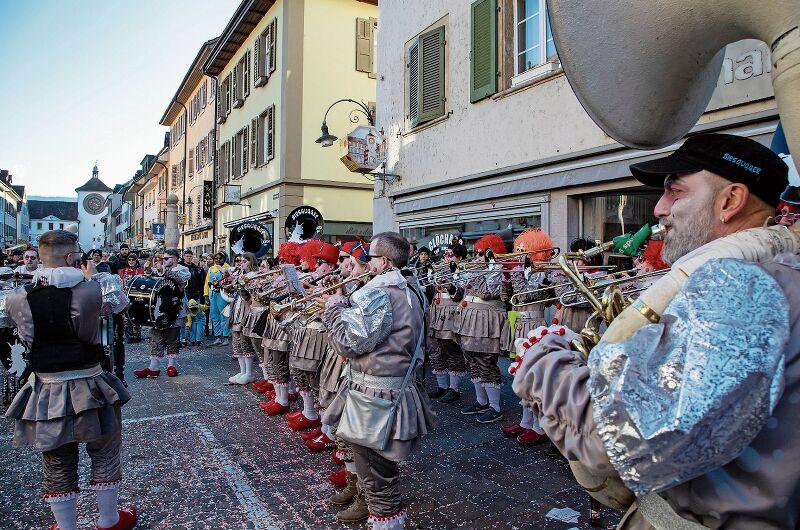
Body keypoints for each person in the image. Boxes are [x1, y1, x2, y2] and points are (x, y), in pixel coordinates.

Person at [513, 133, 800, 529]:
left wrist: (542, 361)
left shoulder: (741, 286)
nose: (660, 209)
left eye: (676, 192)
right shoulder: (770, 274)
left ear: (731, 201)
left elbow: (619, 439)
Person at [2, 229, 137, 530]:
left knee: (57, 458)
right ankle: (109, 520)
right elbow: (119, 305)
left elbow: (17, 331)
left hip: (46, 387)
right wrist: (92, 274)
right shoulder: (94, 287)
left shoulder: (17, 297)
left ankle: (66, 526)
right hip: (90, 382)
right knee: (104, 450)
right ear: (72, 257)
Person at [321, 232, 436, 529]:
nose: (365, 261)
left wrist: (333, 309)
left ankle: (386, 522)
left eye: (369, 257)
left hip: (374, 395)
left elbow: (348, 344)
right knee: (379, 467)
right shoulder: (410, 288)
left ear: (383, 262)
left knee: (375, 472)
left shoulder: (380, 292)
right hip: (389, 388)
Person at [500, 228, 557, 445]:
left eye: (525, 251)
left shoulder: (544, 274)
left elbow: (532, 295)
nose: (519, 255)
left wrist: (518, 275)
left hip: (535, 324)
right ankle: (525, 422)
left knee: (534, 378)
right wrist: (506, 280)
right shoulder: (520, 272)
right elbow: (510, 299)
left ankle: (539, 427)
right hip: (519, 323)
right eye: (518, 250)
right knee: (520, 376)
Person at [455, 234, 510, 424]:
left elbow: (486, 293)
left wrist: (477, 273)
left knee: (486, 360)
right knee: (473, 362)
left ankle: (495, 407)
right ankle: (481, 401)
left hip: (487, 321)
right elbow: (461, 289)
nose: (477, 257)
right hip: (471, 320)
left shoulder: (497, 270)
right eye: (477, 253)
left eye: (481, 254)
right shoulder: (480, 269)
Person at [286, 241, 338, 432]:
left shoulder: (336, 282)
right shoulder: (313, 278)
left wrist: (316, 294)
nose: (316, 265)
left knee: (319, 382)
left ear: (331, 266)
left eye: (321, 262)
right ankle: (311, 414)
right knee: (302, 375)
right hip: (305, 329)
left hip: (320, 334)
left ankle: (327, 429)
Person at [133, 249, 189, 379]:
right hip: (158, 309)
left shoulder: (182, 270)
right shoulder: (161, 268)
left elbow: (179, 280)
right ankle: (153, 368)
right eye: (163, 258)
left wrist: (164, 269)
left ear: (174, 258)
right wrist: (147, 270)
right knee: (156, 338)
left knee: (172, 338)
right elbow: (151, 280)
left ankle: (171, 366)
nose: (163, 260)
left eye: (166, 258)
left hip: (175, 309)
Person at [427, 243, 469, 401]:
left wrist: (450, 286)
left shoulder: (463, 271)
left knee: (451, 350)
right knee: (434, 349)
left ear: (459, 257)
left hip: (450, 314)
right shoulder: (441, 269)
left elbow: (461, 294)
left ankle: (454, 389)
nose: (446, 257)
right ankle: (442, 386)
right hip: (436, 312)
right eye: (445, 254)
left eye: (450, 254)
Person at [227, 252, 257, 384]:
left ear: (251, 262)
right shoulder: (240, 274)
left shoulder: (253, 275)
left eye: (245, 261)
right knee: (237, 342)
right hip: (237, 307)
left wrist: (239, 280)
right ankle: (242, 371)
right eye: (240, 261)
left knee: (245, 341)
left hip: (246, 308)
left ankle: (249, 373)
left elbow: (250, 293)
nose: (241, 263)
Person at [204, 252, 231, 345]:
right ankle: (217, 336)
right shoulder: (211, 268)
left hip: (223, 294)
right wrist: (206, 296)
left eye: (220, 258)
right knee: (214, 316)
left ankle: (226, 336)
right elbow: (207, 283)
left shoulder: (228, 268)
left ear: (224, 259)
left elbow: (230, 282)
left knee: (224, 315)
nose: (218, 260)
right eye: (216, 258)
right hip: (213, 295)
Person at [119, 254, 144, 344]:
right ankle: (129, 336)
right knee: (127, 316)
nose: (131, 261)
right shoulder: (123, 271)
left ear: (136, 260)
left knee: (137, 315)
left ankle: (137, 335)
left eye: (133, 259)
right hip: (125, 295)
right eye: (129, 259)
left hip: (136, 295)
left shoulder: (140, 270)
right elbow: (120, 282)